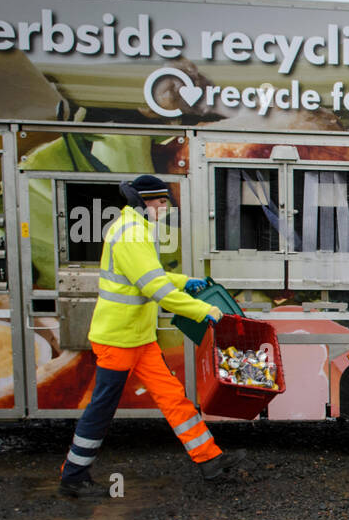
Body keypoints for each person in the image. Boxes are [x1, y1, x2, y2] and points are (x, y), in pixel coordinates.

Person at [58, 175, 248, 497]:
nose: (165, 208)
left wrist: (184, 281)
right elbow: (154, 289)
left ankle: (210, 460)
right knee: (101, 408)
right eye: (161, 202)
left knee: (173, 397)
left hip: (137, 338)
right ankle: (73, 476)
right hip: (119, 340)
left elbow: (151, 276)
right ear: (143, 202)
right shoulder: (131, 233)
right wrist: (204, 311)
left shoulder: (135, 228)